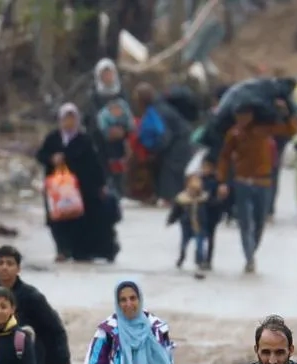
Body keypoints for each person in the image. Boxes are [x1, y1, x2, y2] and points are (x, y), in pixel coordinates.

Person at [215, 101, 297, 273]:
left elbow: (291, 131)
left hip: (263, 182)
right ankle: (249, 257)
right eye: (239, 116)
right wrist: (222, 181)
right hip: (242, 182)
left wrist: (286, 112)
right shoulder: (234, 134)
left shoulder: (265, 130)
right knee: (245, 223)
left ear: (252, 115)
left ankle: (252, 251)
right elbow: (224, 157)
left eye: (245, 116)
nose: (242, 119)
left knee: (259, 222)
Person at [0, 245, 73, 364]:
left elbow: (55, 327)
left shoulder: (32, 297)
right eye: (0, 263)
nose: (4, 267)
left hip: (28, 358)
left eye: (10, 263)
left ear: (18, 268)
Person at [35, 103, 117, 263]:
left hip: (81, 189)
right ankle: (62, 250)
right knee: (57, 221)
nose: (69, 122)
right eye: (66, 119)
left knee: (79, 221)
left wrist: (100, 185)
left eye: (72, 119)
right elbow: (40, 155)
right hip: (57, 190)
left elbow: (95, 164)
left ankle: (81, 252)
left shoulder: (84, 140)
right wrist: (52, 159)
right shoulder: (53, 138)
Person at [134, 82, 194, 205]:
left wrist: (156, 150)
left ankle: (171, 200)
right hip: (181, 141)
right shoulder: (159, 106)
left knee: (170, 171)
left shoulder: (156, 111)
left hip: (178, 144)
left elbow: (165, 135)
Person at [166, 172, 212, 273]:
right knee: (184, 243)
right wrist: (171, 220)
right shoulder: (182, 198)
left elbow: (211, 210)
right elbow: (176, 211)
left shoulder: (204, 198)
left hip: (200, 225)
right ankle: (182, 257)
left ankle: (200, 260)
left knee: (200, 244)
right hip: (186, 226)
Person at [97, 98, 135, 197]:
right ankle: (112, 190)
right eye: (114, 110)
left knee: (121, 171)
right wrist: (110, 134)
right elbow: (101, 134)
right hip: (107, 150)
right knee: (111, 171)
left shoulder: (126, 118)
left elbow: (131, 130)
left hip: (121, 150)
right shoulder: (103, 119)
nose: (117, 112)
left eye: (119, 110)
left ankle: (122, 191)